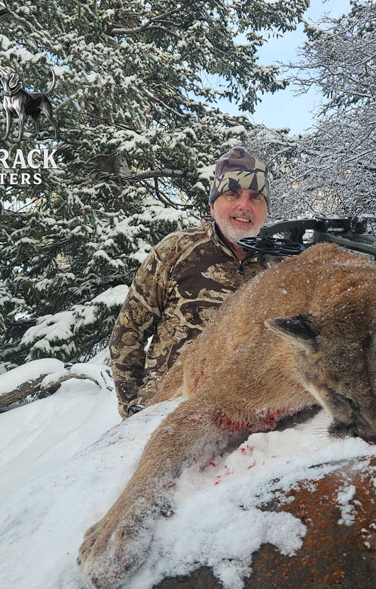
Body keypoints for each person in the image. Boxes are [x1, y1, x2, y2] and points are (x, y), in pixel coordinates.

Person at [109, 146, 271, 419]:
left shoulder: (278, 267)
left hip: (242, 420)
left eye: (255, 197)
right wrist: (132, 413)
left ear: (265, 209)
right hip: (164, 412)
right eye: (233, 194)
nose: (244, 206)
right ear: (212, 205)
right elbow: (127, 334)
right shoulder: (176, 250)